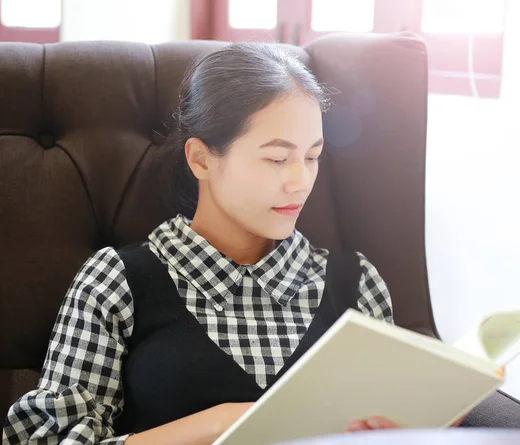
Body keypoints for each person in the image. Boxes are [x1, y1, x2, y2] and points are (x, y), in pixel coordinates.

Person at [3, 42, 435, 445]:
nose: (300, 181)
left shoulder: (356, 283)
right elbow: (43, 439)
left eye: (311, 156)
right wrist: (216, 423)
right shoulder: (118, 280)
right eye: (277, 158)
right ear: (201, 158)